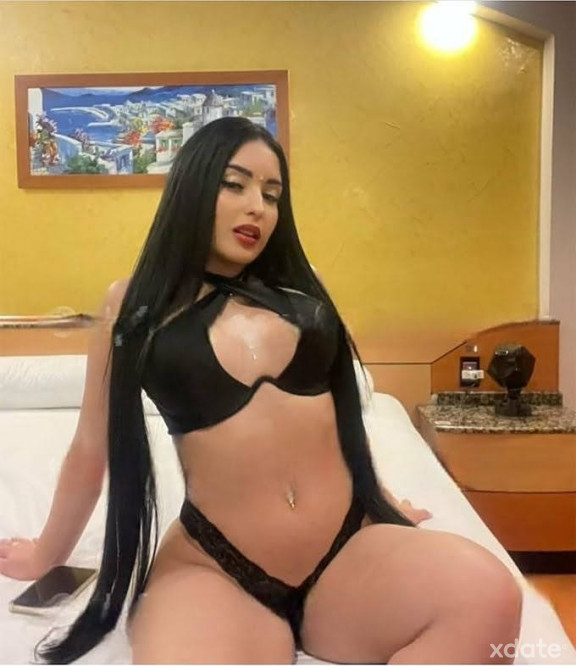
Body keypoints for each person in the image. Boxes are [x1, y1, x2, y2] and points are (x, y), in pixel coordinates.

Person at [0, 117, 522, 665]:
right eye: (235, 184)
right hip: (218, 567)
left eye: (272, 195)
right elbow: (91, 448)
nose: (258, 208)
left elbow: (343, 417)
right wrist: (45, 554)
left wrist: (385, 501)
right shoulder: (133, 306)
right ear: (193, 187)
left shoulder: (302, 291)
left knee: (488, 595)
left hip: (347, 550)